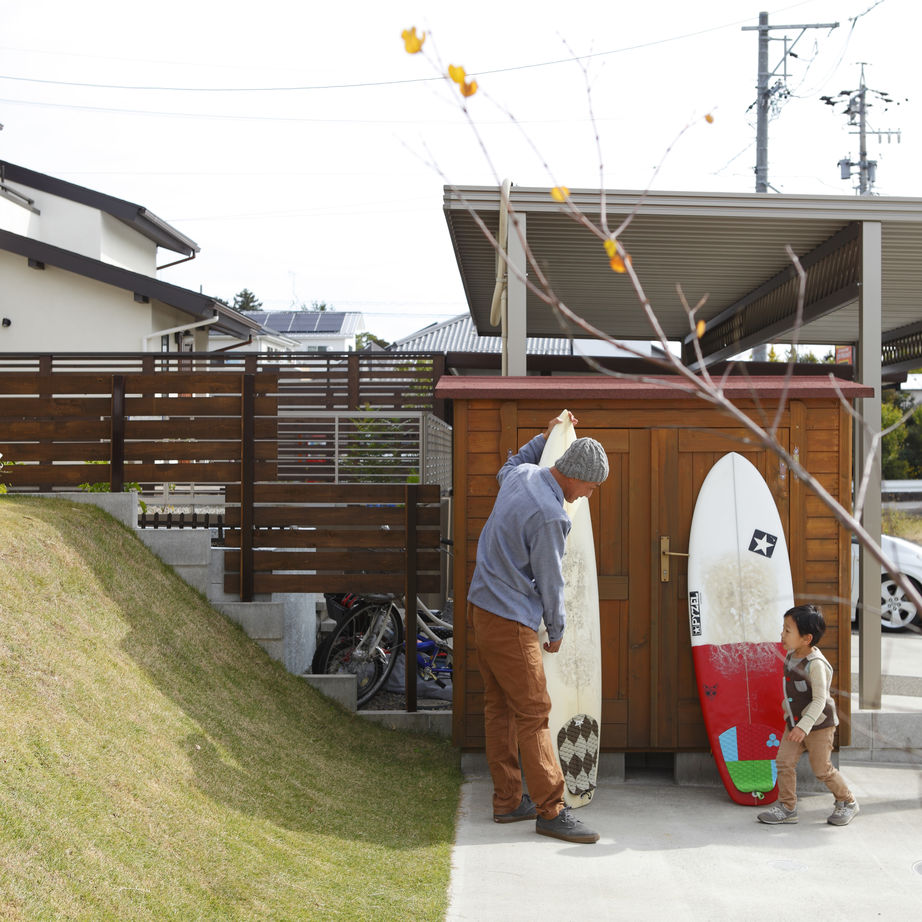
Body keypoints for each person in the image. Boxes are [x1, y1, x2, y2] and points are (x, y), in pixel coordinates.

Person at [467, 412, 609, 844]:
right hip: (512, 621)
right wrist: (558, 627)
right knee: (534, 713)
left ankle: (508, 800)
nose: (589, 495)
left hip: (482, 609)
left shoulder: (523, 475)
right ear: (577, 478)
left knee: (499, 708)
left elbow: (509, 464)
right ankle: (551, 809)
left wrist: (542, 435)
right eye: (591, 487)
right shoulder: (552, 515)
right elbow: (551, 579)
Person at [758, 604, 859, 826]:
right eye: (783, 629)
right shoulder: (791, 655)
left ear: (806, 638)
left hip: (819, 725)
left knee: (822, 769)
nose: (782, 634)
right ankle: (787, 807)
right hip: (794, 722)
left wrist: (804, 726)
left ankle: (848, 801)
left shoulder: (816, 664)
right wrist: (792, 716)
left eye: (787, 630)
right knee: (783, 762)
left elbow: (819, 700)